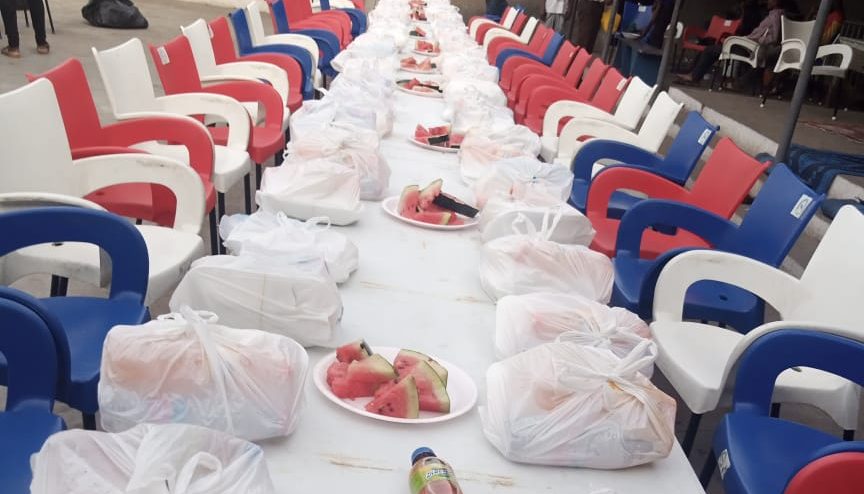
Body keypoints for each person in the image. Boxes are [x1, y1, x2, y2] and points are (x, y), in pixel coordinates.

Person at [676, 0, 784, 86]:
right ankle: (693, 74)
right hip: (746, 43)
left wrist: (753, 40)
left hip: (749, 47)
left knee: (710, 50)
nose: (767, 1)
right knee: (712, 48)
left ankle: (694, 77)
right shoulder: (771, 14)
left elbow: (774, 38)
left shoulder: (776, 16)